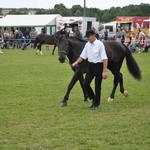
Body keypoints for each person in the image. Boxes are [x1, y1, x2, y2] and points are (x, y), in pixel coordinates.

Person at [72, 29, 108, 109]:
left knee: (97, 86)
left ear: (93, 35)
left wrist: (104, 71)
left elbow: (105, 58)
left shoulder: (100, 44)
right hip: (90, 66)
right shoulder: (87, 44)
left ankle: (96, 104)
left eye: (88, 37)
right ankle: (93, 99)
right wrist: (76, 63)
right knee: (85, 83)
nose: (87, 39)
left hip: (99, 66)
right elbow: (82, 56)